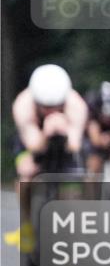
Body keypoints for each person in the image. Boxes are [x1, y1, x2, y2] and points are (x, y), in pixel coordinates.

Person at [3, 64, 88, 253]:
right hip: (33, 140)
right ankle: (26, 226)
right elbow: (33, 145)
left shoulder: (76, 105)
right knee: (25, 175)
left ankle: (71, 260)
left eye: (56, 106)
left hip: (65, 141)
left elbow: (74, 145)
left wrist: (63, 130)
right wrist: (47, 132)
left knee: (72, 193)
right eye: (46, 107)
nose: (51, 111)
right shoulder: (23, 105)